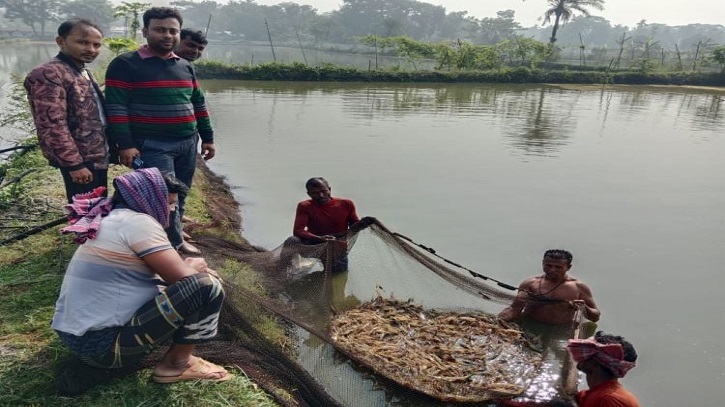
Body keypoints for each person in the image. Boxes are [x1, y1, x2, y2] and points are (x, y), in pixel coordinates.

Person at [52, 168, 230, 384]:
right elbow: (183, 278)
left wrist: (187, 268)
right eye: (169, 203)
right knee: (207, 286)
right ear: (149, 199)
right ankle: (177, 364)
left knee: (182, 287)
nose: (173, 210)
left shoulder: (113, 218)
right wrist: (192, 265)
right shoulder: (137, 223)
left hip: (78, 340)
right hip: (103, 349)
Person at [105, 7, 215, 255]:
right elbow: (116, 107)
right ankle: (172, 246)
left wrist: (207, 138)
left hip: (187, 142)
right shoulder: (125, 64)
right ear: (146, 31)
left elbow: (197, 102)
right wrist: (125, 144)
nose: (167, 35)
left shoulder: (184, 65)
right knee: (160, 197)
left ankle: (175, 232)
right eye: (160, 29)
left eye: (172, 31)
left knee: (180, 192)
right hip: (151, 144)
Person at [24, 18, 108, 203]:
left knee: (100, 207)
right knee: (86, 213)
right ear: (61, 41)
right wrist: (74, 164)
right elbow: (52, 124)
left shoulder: (80, 69)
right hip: (80, 159)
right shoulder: (48, 73)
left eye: (96, 45)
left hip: (96, 153)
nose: (91, 49)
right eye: (83, 42)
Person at [282, 177, 374, 272]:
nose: (321, 195)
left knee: (338, 276)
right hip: (314, 245)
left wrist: (362, 224)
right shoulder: (305, 206)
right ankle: (282, 270)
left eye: (324, 191)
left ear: (329, 189)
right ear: (309, 194)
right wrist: (320, 238)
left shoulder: (346, 204)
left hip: (336, 249)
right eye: (315, 193)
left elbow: (353, 227)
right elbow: (298, 231)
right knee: (292, 241)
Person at [498, 249, 601, 325]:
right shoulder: (530, 284)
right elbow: (514, 309)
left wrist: (584, 307)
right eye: (548, 265)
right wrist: (497, 321)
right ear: (543, 263)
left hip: (561, 328)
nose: (552, 270)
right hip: (530, 323)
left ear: (568, 267)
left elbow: (595, 317)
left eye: (558, 267)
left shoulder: (578, 287)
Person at [567, 331, 640, 407]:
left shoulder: (609, 399)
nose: (581, 357)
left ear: (594, 362)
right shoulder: (589, 396)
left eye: (587, 354)